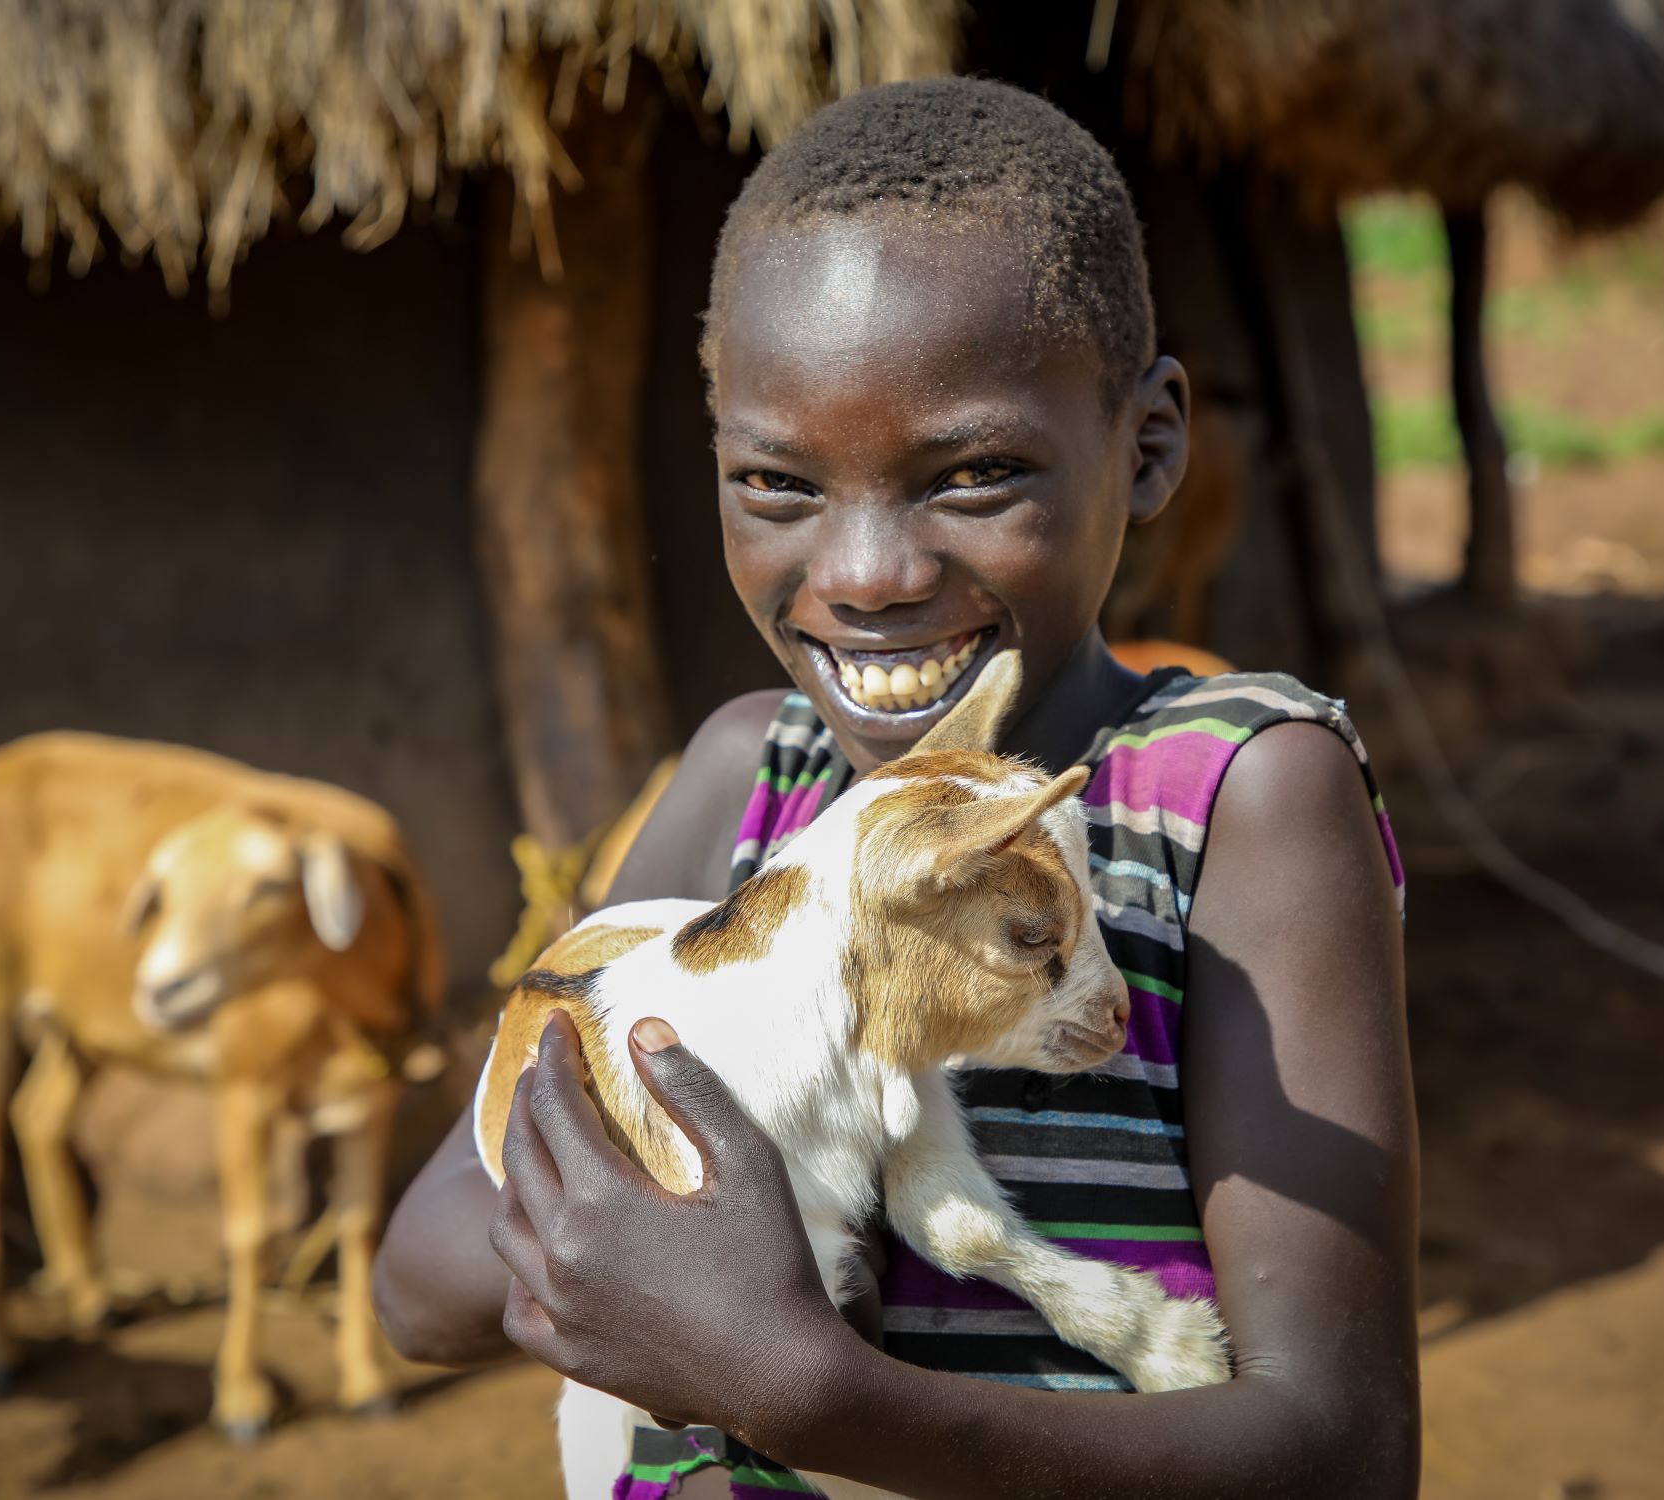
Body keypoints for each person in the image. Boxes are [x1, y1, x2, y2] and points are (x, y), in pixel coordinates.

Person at [374, 77, 1419, 1499]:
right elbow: (420, 1280)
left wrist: (803, 1387)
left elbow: (1341, 1454)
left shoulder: (1238, 798)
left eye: (973, 473)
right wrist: (669, 1234)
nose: (866, 576)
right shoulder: (746, 779)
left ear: (1149, 446)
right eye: (779, 485)